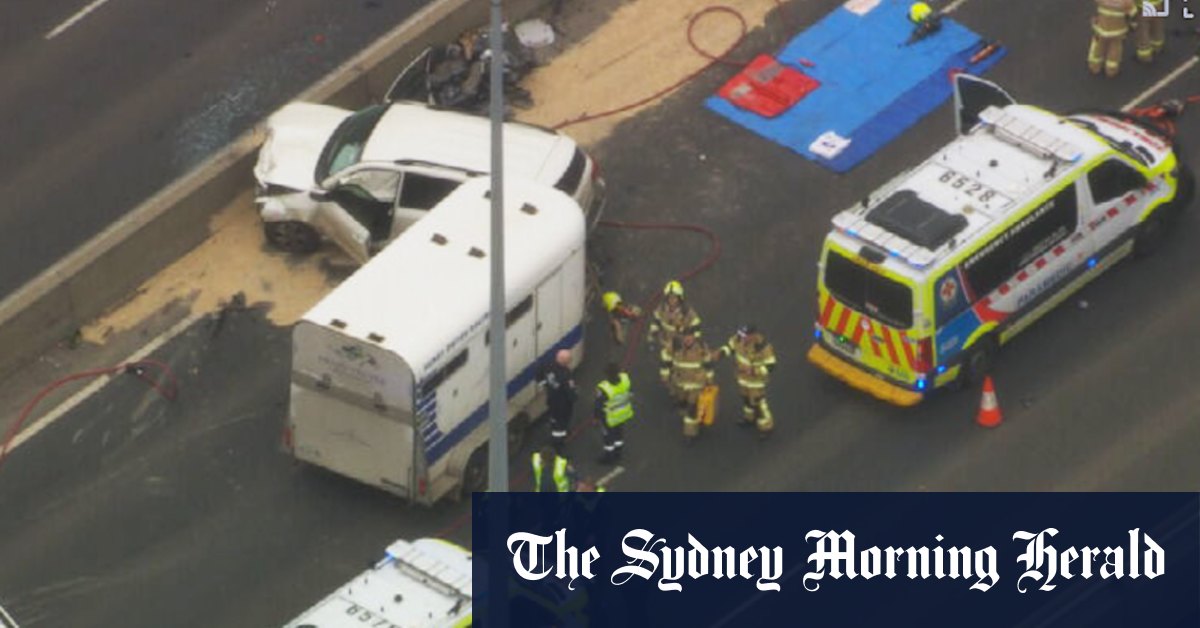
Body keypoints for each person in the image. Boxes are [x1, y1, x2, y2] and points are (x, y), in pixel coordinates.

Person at [717, 325, 778, 436]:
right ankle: (749, 418)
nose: (742, 338)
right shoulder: (738, 339)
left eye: (745, 336)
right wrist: (720, 353)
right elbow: (730, 347)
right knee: (746, 400)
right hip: (742, 378)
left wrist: (753, 371)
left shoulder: (763, 347)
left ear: (753, 335)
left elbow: (771, 365)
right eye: (741, 334)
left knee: (758, 404)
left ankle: (766, 427)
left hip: (756, 382)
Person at [649, 281, 701, 385]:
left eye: (674, 298)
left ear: (680, 298)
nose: (672, 300)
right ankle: (666, 382)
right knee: (665, 362)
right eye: (670, 298)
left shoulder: (686, 311)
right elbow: (656, 321)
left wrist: (694, 342)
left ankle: (679, 381)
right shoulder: (662, 309)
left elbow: (696, 324)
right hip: (665, 342)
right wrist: (652, 338)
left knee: (680, 366)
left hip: (681, 344)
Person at [667, 331, 716, 439]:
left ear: (694, 337)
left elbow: (708, 364)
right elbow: (668, 359)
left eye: (690, 338)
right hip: (680, 384)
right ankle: (690, 418)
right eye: (685, 338)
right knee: (682, 404)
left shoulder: (701, 348)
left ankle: (689, 433)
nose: (687, 340)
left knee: (691, 408)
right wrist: (667, 375)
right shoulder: (676, 346)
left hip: (696, 385)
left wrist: (709, 381)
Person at [536, 349, 577, 450]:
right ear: (565, 362)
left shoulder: (548, 364)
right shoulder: (566, 375)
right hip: (563, 405)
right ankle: (558, 444)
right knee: (560, 425)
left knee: (554, 418)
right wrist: (575, 396)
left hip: (552, 399)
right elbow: (571, 394)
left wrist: (543, 384)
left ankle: (556, 431)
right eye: (569, 360)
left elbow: (538, 371)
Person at [594, 362, 634, 464]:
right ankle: (618, 453)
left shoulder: (604, 388)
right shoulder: (625, 379)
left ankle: (609, 457)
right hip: (623, 413)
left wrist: (596, 417)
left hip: (609, 417)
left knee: (608, 437)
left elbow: (598, 405)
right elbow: (630, 391)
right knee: (619, 434)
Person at [1088, 0, 1137, 77]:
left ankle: (1095, 66)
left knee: (1098, 46)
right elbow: (1132, 13)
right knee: (1115, 49)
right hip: (1117, 30)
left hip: (1101, 27)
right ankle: (1111, 70)